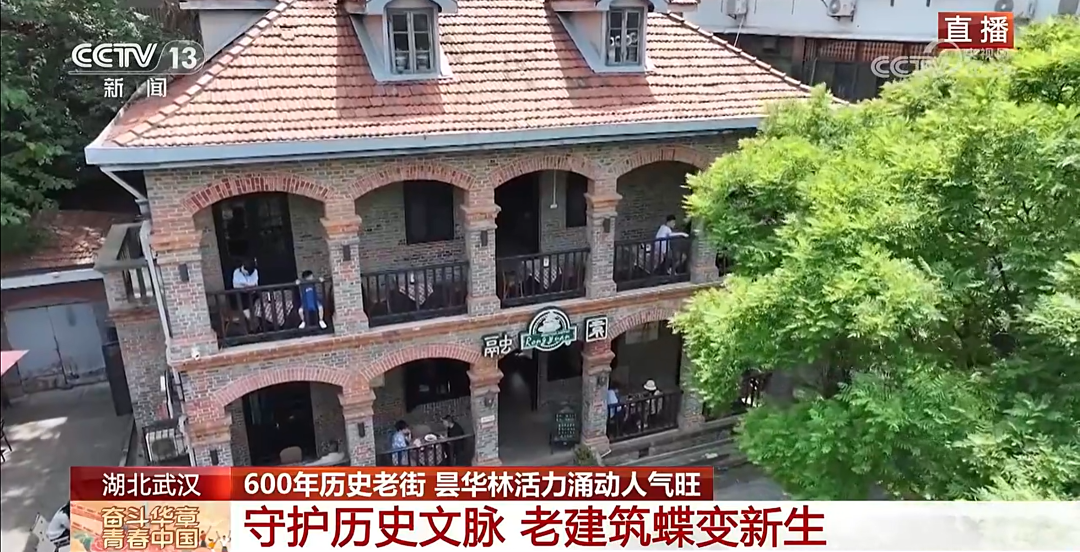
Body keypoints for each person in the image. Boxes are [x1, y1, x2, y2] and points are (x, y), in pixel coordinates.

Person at [232, 258, 260, 323]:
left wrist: (249, 286)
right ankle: (250, 320)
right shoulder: (237, 272)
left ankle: (257, 318)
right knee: (243, 302)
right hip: (242, 294)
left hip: (253, 293)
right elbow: (236, 285)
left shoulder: (254, 271)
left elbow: (254, 282)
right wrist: (246, 286)